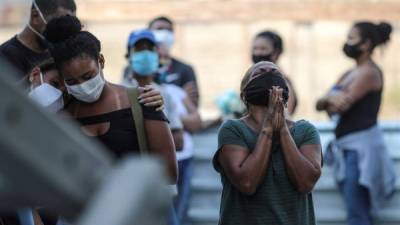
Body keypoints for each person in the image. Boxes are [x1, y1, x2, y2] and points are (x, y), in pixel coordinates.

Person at [43, 16, 178, 183]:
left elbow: (169, 173)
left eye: (88, 76)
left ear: (101, 61)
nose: (83, 86)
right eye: (71, 81)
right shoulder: (61, 116)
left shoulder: (142, 101)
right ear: (62, 79)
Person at [213, 61, 322, 225]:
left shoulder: (305, 131)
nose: (269, 77)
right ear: (244, 94)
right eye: (260, 73)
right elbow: (247, 183)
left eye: (276, 74)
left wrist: (283, 129)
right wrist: (268, 128)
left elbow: (305, 183)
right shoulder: (233, 130)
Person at [316, 21, 397, 225]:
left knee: (357, 214)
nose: (347, 42)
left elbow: (339, 107)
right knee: (355, 211)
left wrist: (330, 99)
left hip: (361, 150)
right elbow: (320, 103)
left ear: (366, 44)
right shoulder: (349, 74)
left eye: (352, 38)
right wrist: (329, 99)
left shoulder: (369, 73)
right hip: (348, 149)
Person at [123, 29, 202, 224]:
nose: (145, 54)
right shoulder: (117, 93)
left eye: (149, 49)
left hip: (159, 181)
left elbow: (179, 141)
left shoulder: (163, 94)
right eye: (139, 49)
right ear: (128, 55)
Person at [0, 0, 76, 83]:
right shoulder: (6, 57)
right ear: (35, 16)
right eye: (58, 25)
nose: (62, 32)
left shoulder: (56, 52)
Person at [148, 16, 200, 107]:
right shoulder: (137, 68)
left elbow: (193, 106)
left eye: (169, 30)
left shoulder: (185, 69)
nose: (165, 33)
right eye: (159, 29)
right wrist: (180, 96)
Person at [251, 31, 298, 116]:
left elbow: (286, 114)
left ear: (276, 53)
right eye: (255, 48)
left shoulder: (280, 80)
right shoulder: (254, 78)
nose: (257, 53)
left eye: (263, 49)